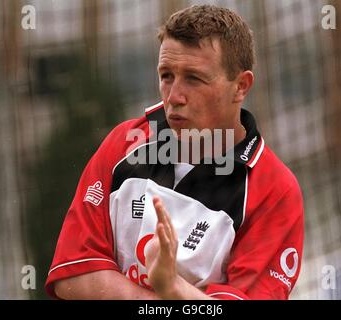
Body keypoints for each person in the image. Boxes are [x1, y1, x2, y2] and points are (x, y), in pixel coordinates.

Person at [45, 4, 304, 300]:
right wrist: (164, 299)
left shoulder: (275, 191)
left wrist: (173, 286)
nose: (175, 96)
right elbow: (73, 276)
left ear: (241, 86)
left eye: (194, 78)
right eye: (167, 75)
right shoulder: (122, 144)